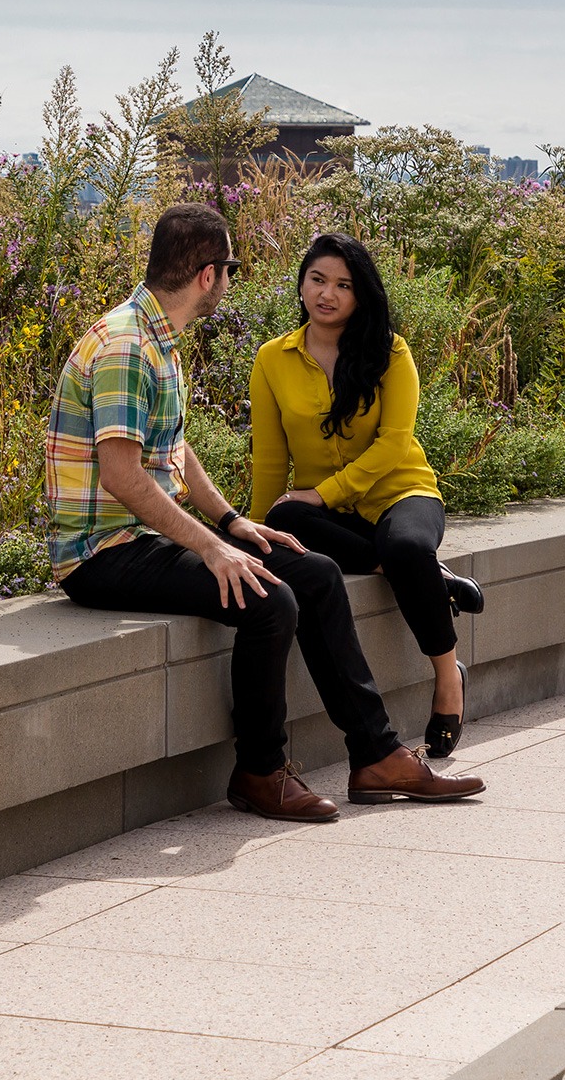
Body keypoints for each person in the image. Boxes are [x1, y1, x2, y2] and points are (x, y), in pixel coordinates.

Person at [48, 204, 483, 823]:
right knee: (271, 600)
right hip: (102, 553)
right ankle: (259, 772)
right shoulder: (126, 345)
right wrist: (211, 549)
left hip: (140, 538)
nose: (232, 279)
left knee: (317, 573)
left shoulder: (157, 338)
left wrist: (232, 524)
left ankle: (377, 754)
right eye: (230, 267)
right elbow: (121, 475)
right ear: (207, 274)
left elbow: (171, 447)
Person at [249, 232, 487, 760]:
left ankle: (449, 677)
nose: (326, 294)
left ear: (361, 295)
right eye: (317, 279)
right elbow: (268, 460)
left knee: (404, 547)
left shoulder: (390, 352)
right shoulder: (272, 359)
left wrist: (326, 491)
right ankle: (431, 579)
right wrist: (253, 532)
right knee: (284, 514)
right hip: (332, 516)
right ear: (302, 283)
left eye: (342, 285)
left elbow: (395, 443)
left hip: (402, 494)